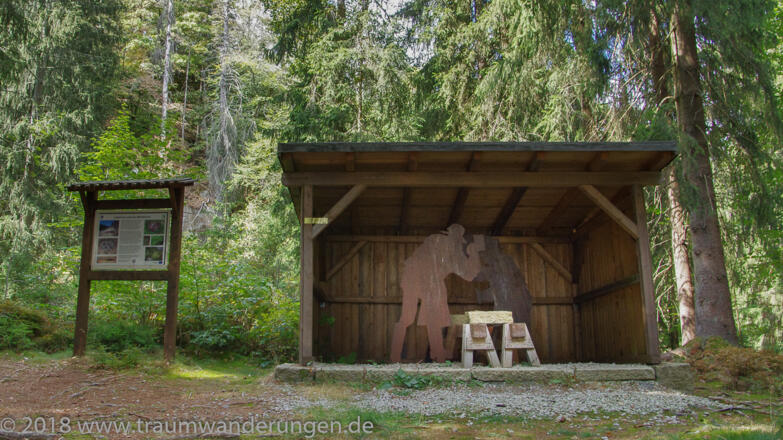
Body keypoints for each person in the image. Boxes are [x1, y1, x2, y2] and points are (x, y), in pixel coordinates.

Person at [390, 224, 485, 363]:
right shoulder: (442, 243)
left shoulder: (441, 243)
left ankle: (434, 353)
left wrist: (472, 253)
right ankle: (435, 354)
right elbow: (468, 273)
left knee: (417, 317)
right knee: (417, 316)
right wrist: (473, 253)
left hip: (420, 278)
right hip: (420, 278)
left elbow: (467, 274)